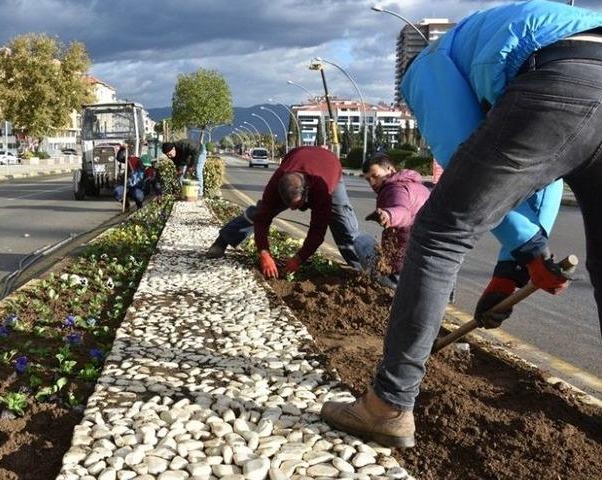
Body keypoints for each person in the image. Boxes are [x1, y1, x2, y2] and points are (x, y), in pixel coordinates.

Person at [321, 0, 602, 448]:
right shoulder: (489, 38)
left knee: (437, 233)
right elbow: (543, 173)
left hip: (558, 74)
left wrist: (528, 248)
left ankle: (387, 405)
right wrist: (511, 269)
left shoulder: (425, 68)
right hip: (581, 65)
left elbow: (457, 150)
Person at [206, 146, 361, 274]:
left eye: (296, 205)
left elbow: (318, 231)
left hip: (329, 167)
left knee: (342, 220)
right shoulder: (275, 184)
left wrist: (299, 258)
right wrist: (264, 253)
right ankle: (222, 241)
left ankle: (360, 266)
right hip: (297, 159)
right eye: (289, 205)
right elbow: (262, 219)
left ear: (306, 191)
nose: (293, 210)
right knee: (258, 212)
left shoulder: (323, 191)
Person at [354, 153, 431, 289]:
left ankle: (390, 285)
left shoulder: (394, 189)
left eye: (375, 176)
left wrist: (388, 215)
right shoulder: (419, 187)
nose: (372, 183)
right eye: (368, 179)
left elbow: (403, 211)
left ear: (390, 169)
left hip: (403, 269)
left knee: (361, 241)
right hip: (430, 265)